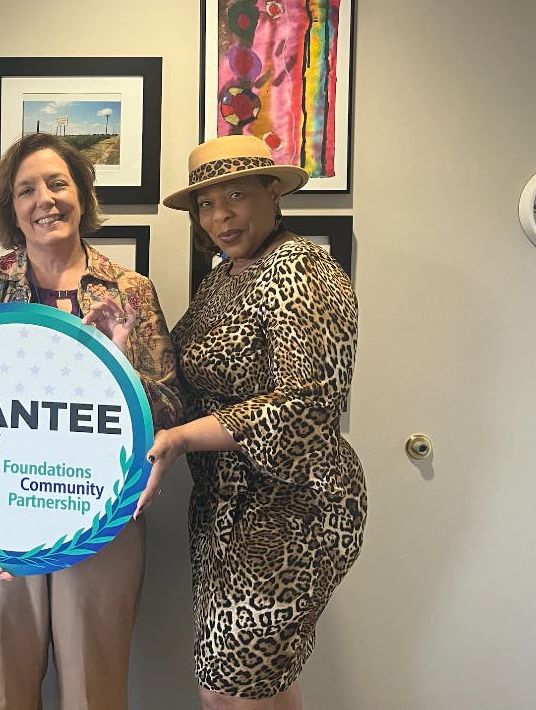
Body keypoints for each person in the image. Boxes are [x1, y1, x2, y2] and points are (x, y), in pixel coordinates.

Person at [0, 132, 181, 710]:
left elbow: (172, 407)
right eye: (27, 189)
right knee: (1, 688)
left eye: (58, 183)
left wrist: (117, 363)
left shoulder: (129, 290)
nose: (45, 199)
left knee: (94, 688)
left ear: (82, 194)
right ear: (11, 208)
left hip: (100, 515)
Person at [139, 135, 367, 710]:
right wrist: (121, 339)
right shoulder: (226, 276)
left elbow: (309, 400)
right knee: (259, 683)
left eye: (235, 196)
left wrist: (186, 437)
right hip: (224, 504)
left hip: (292, 503)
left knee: (230, 687)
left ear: (273, 193)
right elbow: (191, 377)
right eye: (206, 204)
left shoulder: (299, 268)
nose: (219, 216)